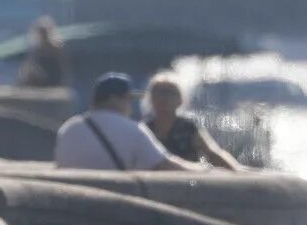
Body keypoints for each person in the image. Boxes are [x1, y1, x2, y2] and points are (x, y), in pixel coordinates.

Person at [54, 73, 200, 172]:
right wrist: (206, 171)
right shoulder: (132, 129)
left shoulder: (68, 128)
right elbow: (166, 166)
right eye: (128, 100)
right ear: (113, 99)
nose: (130, 106)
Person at [144, 74, 242, 170]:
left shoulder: (189, 128)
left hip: (189, 181)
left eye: (171, 93)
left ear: (180, 99)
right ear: (151, 99)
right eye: (160, 92)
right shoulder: (145, 129)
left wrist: (237, 170)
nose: (165, 98)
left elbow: (212, 153)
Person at [17, 17, 70, 88]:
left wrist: (65, 82)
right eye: (40, 33)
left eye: (44, 33)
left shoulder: (56, 48)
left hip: (53, 79)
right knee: (27, 70)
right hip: (40, 79)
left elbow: (63, 67)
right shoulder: (36, 49)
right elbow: (29, 64)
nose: (43, 35)